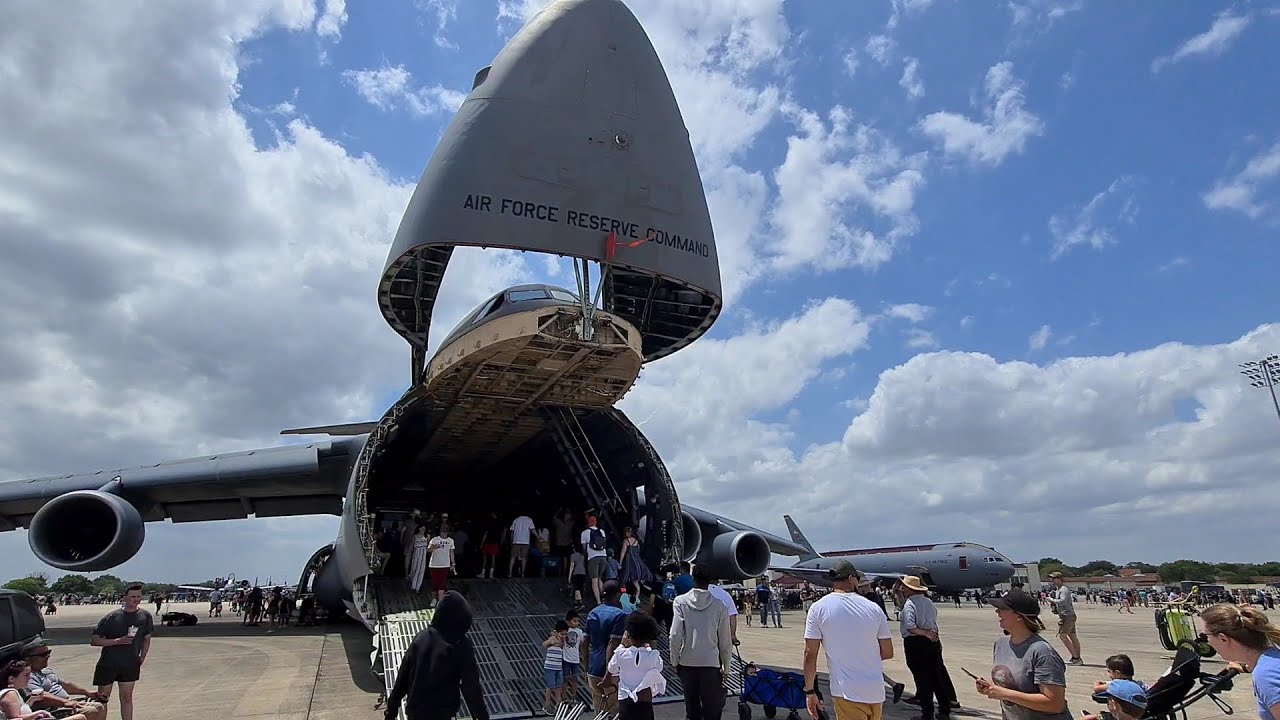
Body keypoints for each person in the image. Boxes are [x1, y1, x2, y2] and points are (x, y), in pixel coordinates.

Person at [802, 560, 893, 720]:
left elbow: (810, 654)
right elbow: (887, 652)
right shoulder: (874, 608)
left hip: (847, 691)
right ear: (851, 579)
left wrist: (810, 691)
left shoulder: (818, 608)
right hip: (875, 691)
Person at [384, 591, 489, 720]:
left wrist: (392, 708)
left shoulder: (420, 638)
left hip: (415, 713)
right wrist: (481, 716)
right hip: (441, 714)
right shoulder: (460, 645)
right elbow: (471, 687)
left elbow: (403, 677)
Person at [972, 588, 1071, 720]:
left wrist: (1004, 693)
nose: (997, 612)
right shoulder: (1000, 645)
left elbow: (1054, 704)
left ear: (1019, 615)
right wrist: (991, 688)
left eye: (1002, 608)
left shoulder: (1042, 652)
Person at [670, 565, 732, 720]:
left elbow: (675, 634)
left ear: (693, 578)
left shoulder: (680, 602)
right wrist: (726, 668)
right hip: (711, 665)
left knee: (692, 711)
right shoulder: (720, 606)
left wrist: (674, 661)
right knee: (712, 711)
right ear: (710, 581)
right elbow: (725, 641)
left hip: (687, 663)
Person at [1200, 603, 1280, 720]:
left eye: (1205, 636)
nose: (1207, 642)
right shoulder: (1271, 657)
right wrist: (1248, 667)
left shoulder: (1266, 676)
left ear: (1223, 639)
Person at [90, 584, 153, 720]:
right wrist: (116, 641)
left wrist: (142, 657)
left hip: (130, 663)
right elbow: (94, 640)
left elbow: (146, 638)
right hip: (109, 663)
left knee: (126, 698)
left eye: (138, 597)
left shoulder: (145, 616)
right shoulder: (112, 617)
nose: (135, 600)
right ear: (125, 598)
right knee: (102, 699)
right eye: (132, 597)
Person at [898, 576, 956, 720]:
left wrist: (924, 633)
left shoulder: (910, 604)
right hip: (932, 641)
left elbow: (910, 627)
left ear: (910, 589)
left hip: (916, 642)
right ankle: (944, 710)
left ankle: (927, 714)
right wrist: (932, 635)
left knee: (922, 679)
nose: (902, 589)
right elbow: (934, 620)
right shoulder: (928, 602)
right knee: (937, 677)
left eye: (904, 587)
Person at [21, 639, 106, 720]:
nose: (48, 656)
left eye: (48, 652)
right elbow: (40, 696)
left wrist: (87, 693)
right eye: (43, 655)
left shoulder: (46, 671)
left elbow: (66, 685)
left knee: (98, 706)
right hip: (50, 710)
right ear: (27, 659)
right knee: (91, 711)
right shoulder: (28, 676)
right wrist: (64, 702)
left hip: (63, 704)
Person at [608, 611, 666, 720]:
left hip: (625, 701)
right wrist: (648, 648)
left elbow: (612, 668)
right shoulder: (653, 656)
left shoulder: (620, 654)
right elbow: (659, 667)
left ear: (628, 635)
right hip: (645, 700)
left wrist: (621, 645)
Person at [585, 581, 628, 716]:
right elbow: (612, 644)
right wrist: (609, 673)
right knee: (615, 711)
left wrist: (586, 668)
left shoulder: (593, 612)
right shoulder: (619, 615)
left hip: (593, 669)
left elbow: (584, 642)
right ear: (616, 595)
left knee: (599, 712)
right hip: (610, 672)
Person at [1046, 573, 1082, 666]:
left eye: (1054, 578)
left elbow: (1063, 600)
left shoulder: (1063, 590)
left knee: (1063, 636)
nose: (1052, 580)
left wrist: (1051, 600)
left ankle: (1075, 657)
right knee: (1072, 636)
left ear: (1060, 579)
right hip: (1067, 615)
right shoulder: (1058, 590)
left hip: (1067, 616)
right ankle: (1077, 657)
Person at [581, 516, 609, 605]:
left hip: (593, 558)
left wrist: (586, 554)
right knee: (600, 578)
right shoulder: (602, 531)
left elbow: (584, 547)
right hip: (603, 556)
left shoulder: (585, 533)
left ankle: (598, 601)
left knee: (594, 580)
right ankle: (604, 597)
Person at [542, 621, 569, 714]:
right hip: (550, 667)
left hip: (558, 667)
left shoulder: (563, 640)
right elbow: (544, 644)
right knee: (550, 686)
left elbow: (562, 644)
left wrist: (559, 641)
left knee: (558, 686)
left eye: (565, 634)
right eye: (562, 634)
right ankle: (547, 705)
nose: (564, 636)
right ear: (557, 632)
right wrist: (551, 641)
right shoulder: (552, 638)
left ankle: (559, 703)